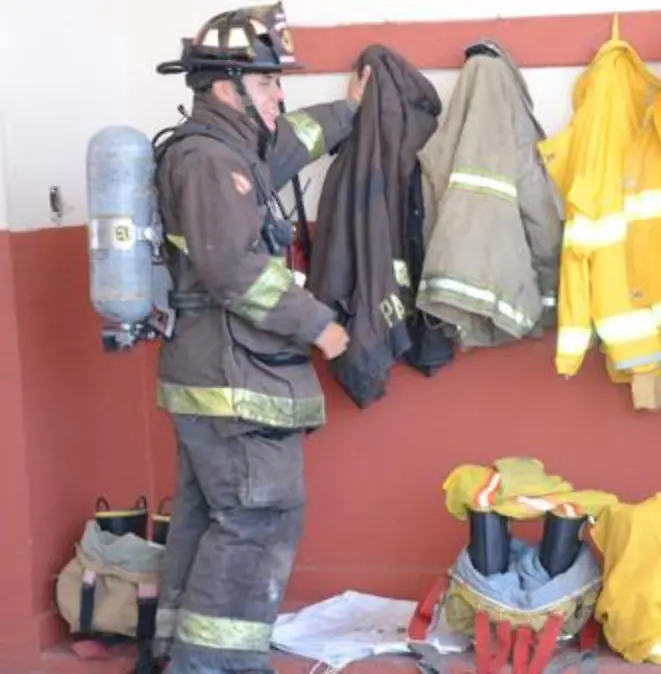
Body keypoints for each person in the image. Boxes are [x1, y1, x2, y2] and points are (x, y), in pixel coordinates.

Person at [149, 3, 370, 672]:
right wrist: (321, 326)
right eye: (270, 83)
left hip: (216, 376)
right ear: (227, 87)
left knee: (209, 517)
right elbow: (232, 270)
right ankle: (214, 664)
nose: (279, 95)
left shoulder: (233, 149)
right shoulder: (212, 162)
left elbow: (288, 141)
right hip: (234, 381)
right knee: (256, 520)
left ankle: (175, 653)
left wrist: (347, 113)